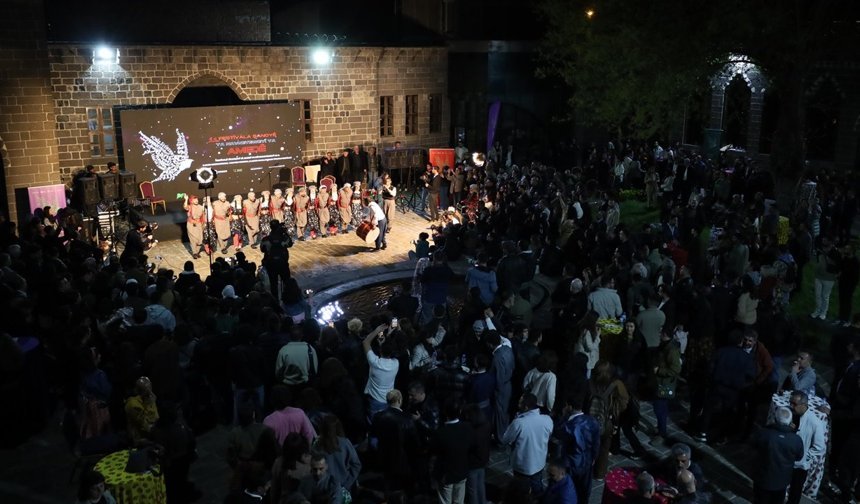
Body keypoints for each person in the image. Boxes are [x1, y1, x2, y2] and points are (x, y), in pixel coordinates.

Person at [501, 393, 554, 494]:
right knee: (537, 486)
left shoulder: (519, 423)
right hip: (539, 462)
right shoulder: (547, 419)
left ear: (525, 407)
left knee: (521, 490)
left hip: (522, 464)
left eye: (520, 403)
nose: (518, 405)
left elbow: (505, 439)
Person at [751, 406, 804, 504]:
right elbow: (799, 457)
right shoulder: (796, 440)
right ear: (790, 421)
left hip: (763, 478)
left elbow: (754, 446)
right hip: (782, 481)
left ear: (775, 419)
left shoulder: (764, 433)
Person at [558, 390, 600, 504]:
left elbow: (558, 434)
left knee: (570, 489)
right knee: (584, 491)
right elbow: (596, 442)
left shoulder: (569, 426)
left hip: (572, 464)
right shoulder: (592, 421)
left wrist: (563, 416)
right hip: (587, 461)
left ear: (570, 407)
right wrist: (594, 457)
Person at [787, 390, 827, 504]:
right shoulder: (791, 414)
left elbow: (819, 447)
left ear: (804, 405)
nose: (791, 406)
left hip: (800, 466)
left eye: (794, 404)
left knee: (795, 493)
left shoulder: (815, 423)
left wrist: (805, 457)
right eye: (790, 402)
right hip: (786, 459)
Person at [433, 399, 475, 504]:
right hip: (462, 471)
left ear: (445, 412)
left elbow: (435, 453)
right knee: (459, 501)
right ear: (460, 411)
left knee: (445, 501)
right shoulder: (467, 427)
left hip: (446, 475)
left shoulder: (441, 433)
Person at [363, 323, 399, 419]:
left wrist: (377, 330)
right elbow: (388, 349)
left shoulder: (374, 362)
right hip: (389, 398)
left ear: (380, 350)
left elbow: (366, 342)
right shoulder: (396, 363)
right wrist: (386, 335)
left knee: (374, 419)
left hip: (375, 400)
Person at [125, 376, 159, 445]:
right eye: (147, 390)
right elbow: (145, 426)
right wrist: (150, 404)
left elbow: (156, 418)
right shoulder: (133, 404)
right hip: (139, 439)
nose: (150, 393)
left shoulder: (149, 400)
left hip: (150, 434)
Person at [183, 194, 206, 258]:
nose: (196, 201)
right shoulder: (190, 207)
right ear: (191, 201)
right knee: (193, 239)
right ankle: (194, 253)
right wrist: (186, 199)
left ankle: (197, 251)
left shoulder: (201, 207)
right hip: (191, 224)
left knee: (200, 239)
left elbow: (203, 216)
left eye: (197, 199)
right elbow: (185, 207)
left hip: (199, 224)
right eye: (194, 200)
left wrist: (204, 223)